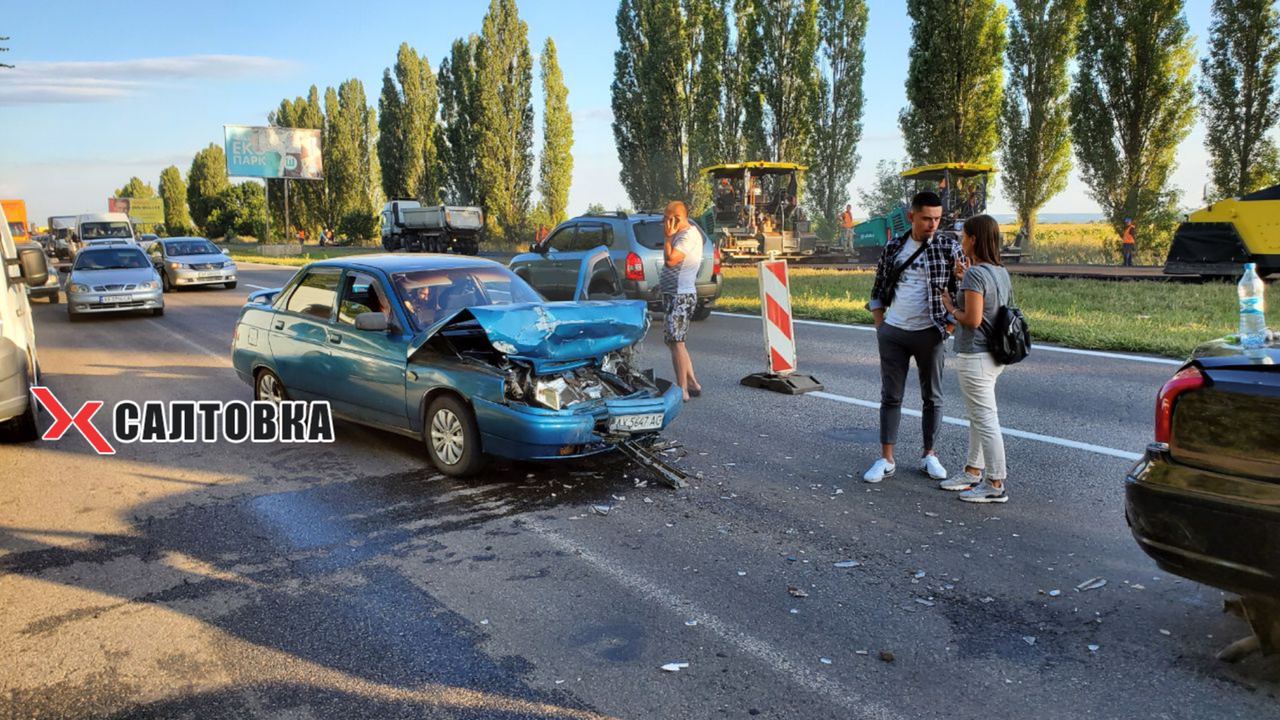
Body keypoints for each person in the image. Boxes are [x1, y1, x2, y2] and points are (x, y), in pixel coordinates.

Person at [863, 191, 962, 484]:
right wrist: (881, 325)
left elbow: (963, 289)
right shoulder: (894, 246)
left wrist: (949, 326)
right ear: (911, 217)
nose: (933, 224)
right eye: (926, 218)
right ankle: (886, 458)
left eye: (937, 219)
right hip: (894, 332)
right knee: (890, 396)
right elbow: (878, 287)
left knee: (932, 397)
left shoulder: (948, 246)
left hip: (930, 333)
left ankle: (929, 455)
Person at [938, 214, 1013, 503]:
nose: (961, 242)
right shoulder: (999, 272)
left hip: (976, 355)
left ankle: (995, 483)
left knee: (985, 418)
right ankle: (972, 471)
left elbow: (972, 318)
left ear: (974, 239)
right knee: (978, 418)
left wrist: (949, 308)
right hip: (995, 354)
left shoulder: (975, 274)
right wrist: (962, 279)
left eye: (964, 237)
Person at [660, 201, 704, 401]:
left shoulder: (688, 235)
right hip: (672, 294)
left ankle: (682, 389)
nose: (664, 223)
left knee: (677, 342)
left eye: (667, 218)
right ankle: (693, 383)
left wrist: (667, 237)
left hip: (681, 296)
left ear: (676, 218)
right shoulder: (679, 234)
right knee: (674, 342)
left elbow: (671, 260)